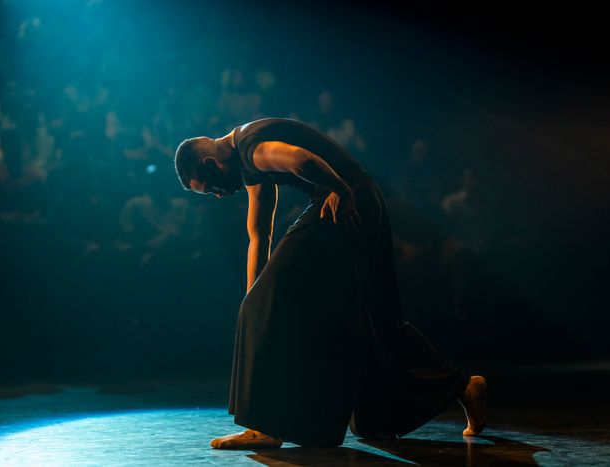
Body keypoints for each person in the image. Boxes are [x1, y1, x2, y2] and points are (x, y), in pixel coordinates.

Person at [173, 117, 487, 449]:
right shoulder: (249, 161)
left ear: (212, 163)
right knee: (376, 320)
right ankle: (465, 388)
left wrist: (339, 190)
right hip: (363, 203)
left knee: (271, 307)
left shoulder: (252, 149)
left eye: (212, 188)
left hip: (341, 205)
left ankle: (263, 426)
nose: (220, 196)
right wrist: (254, 297)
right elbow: (259, 234)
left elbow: (302, 160)